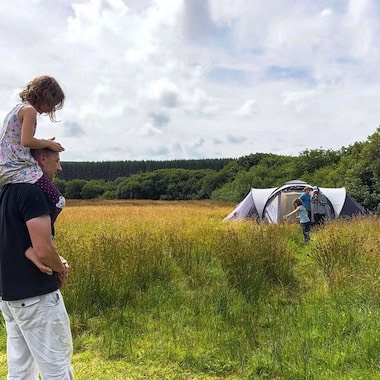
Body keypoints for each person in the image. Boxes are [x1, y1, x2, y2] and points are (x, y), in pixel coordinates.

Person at [0, 148, 74, 379]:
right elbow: (42, 249)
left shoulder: (5, 192)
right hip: (36, 297)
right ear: (42, 159)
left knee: (20, 369)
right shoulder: (32, 192)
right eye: (57, 161)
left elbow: (15, 240)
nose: (59, 167)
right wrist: (60, 268)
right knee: (57, 366)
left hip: (9, 297)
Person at [0, 75, 66, 227]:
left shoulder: (15, 110)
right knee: (59, 200)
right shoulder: (30, 111)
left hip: (5, 167)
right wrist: (47, 143)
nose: (51, 110)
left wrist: (43, 143)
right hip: (18, 169)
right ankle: (43, 236)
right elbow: (27, 141)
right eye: (52, 104)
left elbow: (17, 142)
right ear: (45, 95)